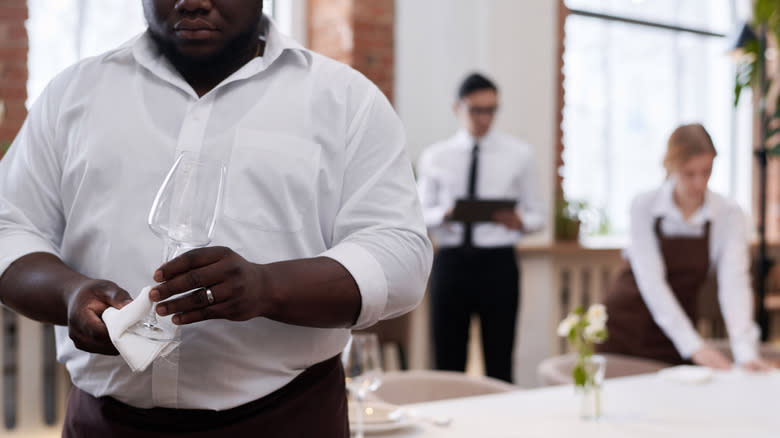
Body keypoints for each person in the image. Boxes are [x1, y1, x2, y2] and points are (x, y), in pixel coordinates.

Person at [0, 1, 432, 436]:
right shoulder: (73, 95)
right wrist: (69, 294)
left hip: (285, 419)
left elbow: (399, 254)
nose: (194, 1)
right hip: (105, 423)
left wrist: (269, 287)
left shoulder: (343, 99)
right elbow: (9, 227)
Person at [598, 123, 772, 371]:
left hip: (675, 334)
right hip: (626, 325)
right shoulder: (644, 206)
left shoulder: (728, 214)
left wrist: (745, 351)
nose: (699, 183)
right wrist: (692, 345)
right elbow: (652, 283)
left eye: (706, 172)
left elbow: (734, 283)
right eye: (689, 173)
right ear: (671, 167)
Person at [416, 73, 544, 382]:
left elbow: (538, 215)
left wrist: (519, 221)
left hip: (498, 264)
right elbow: (417, 215)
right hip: (451, 262)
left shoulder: (519, 154)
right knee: (447, 360)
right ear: (457, 108)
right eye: (476, 109)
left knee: (499, 359)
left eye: (491, 109)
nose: (485, 118)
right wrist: (446, 214)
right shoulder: (435, 156)